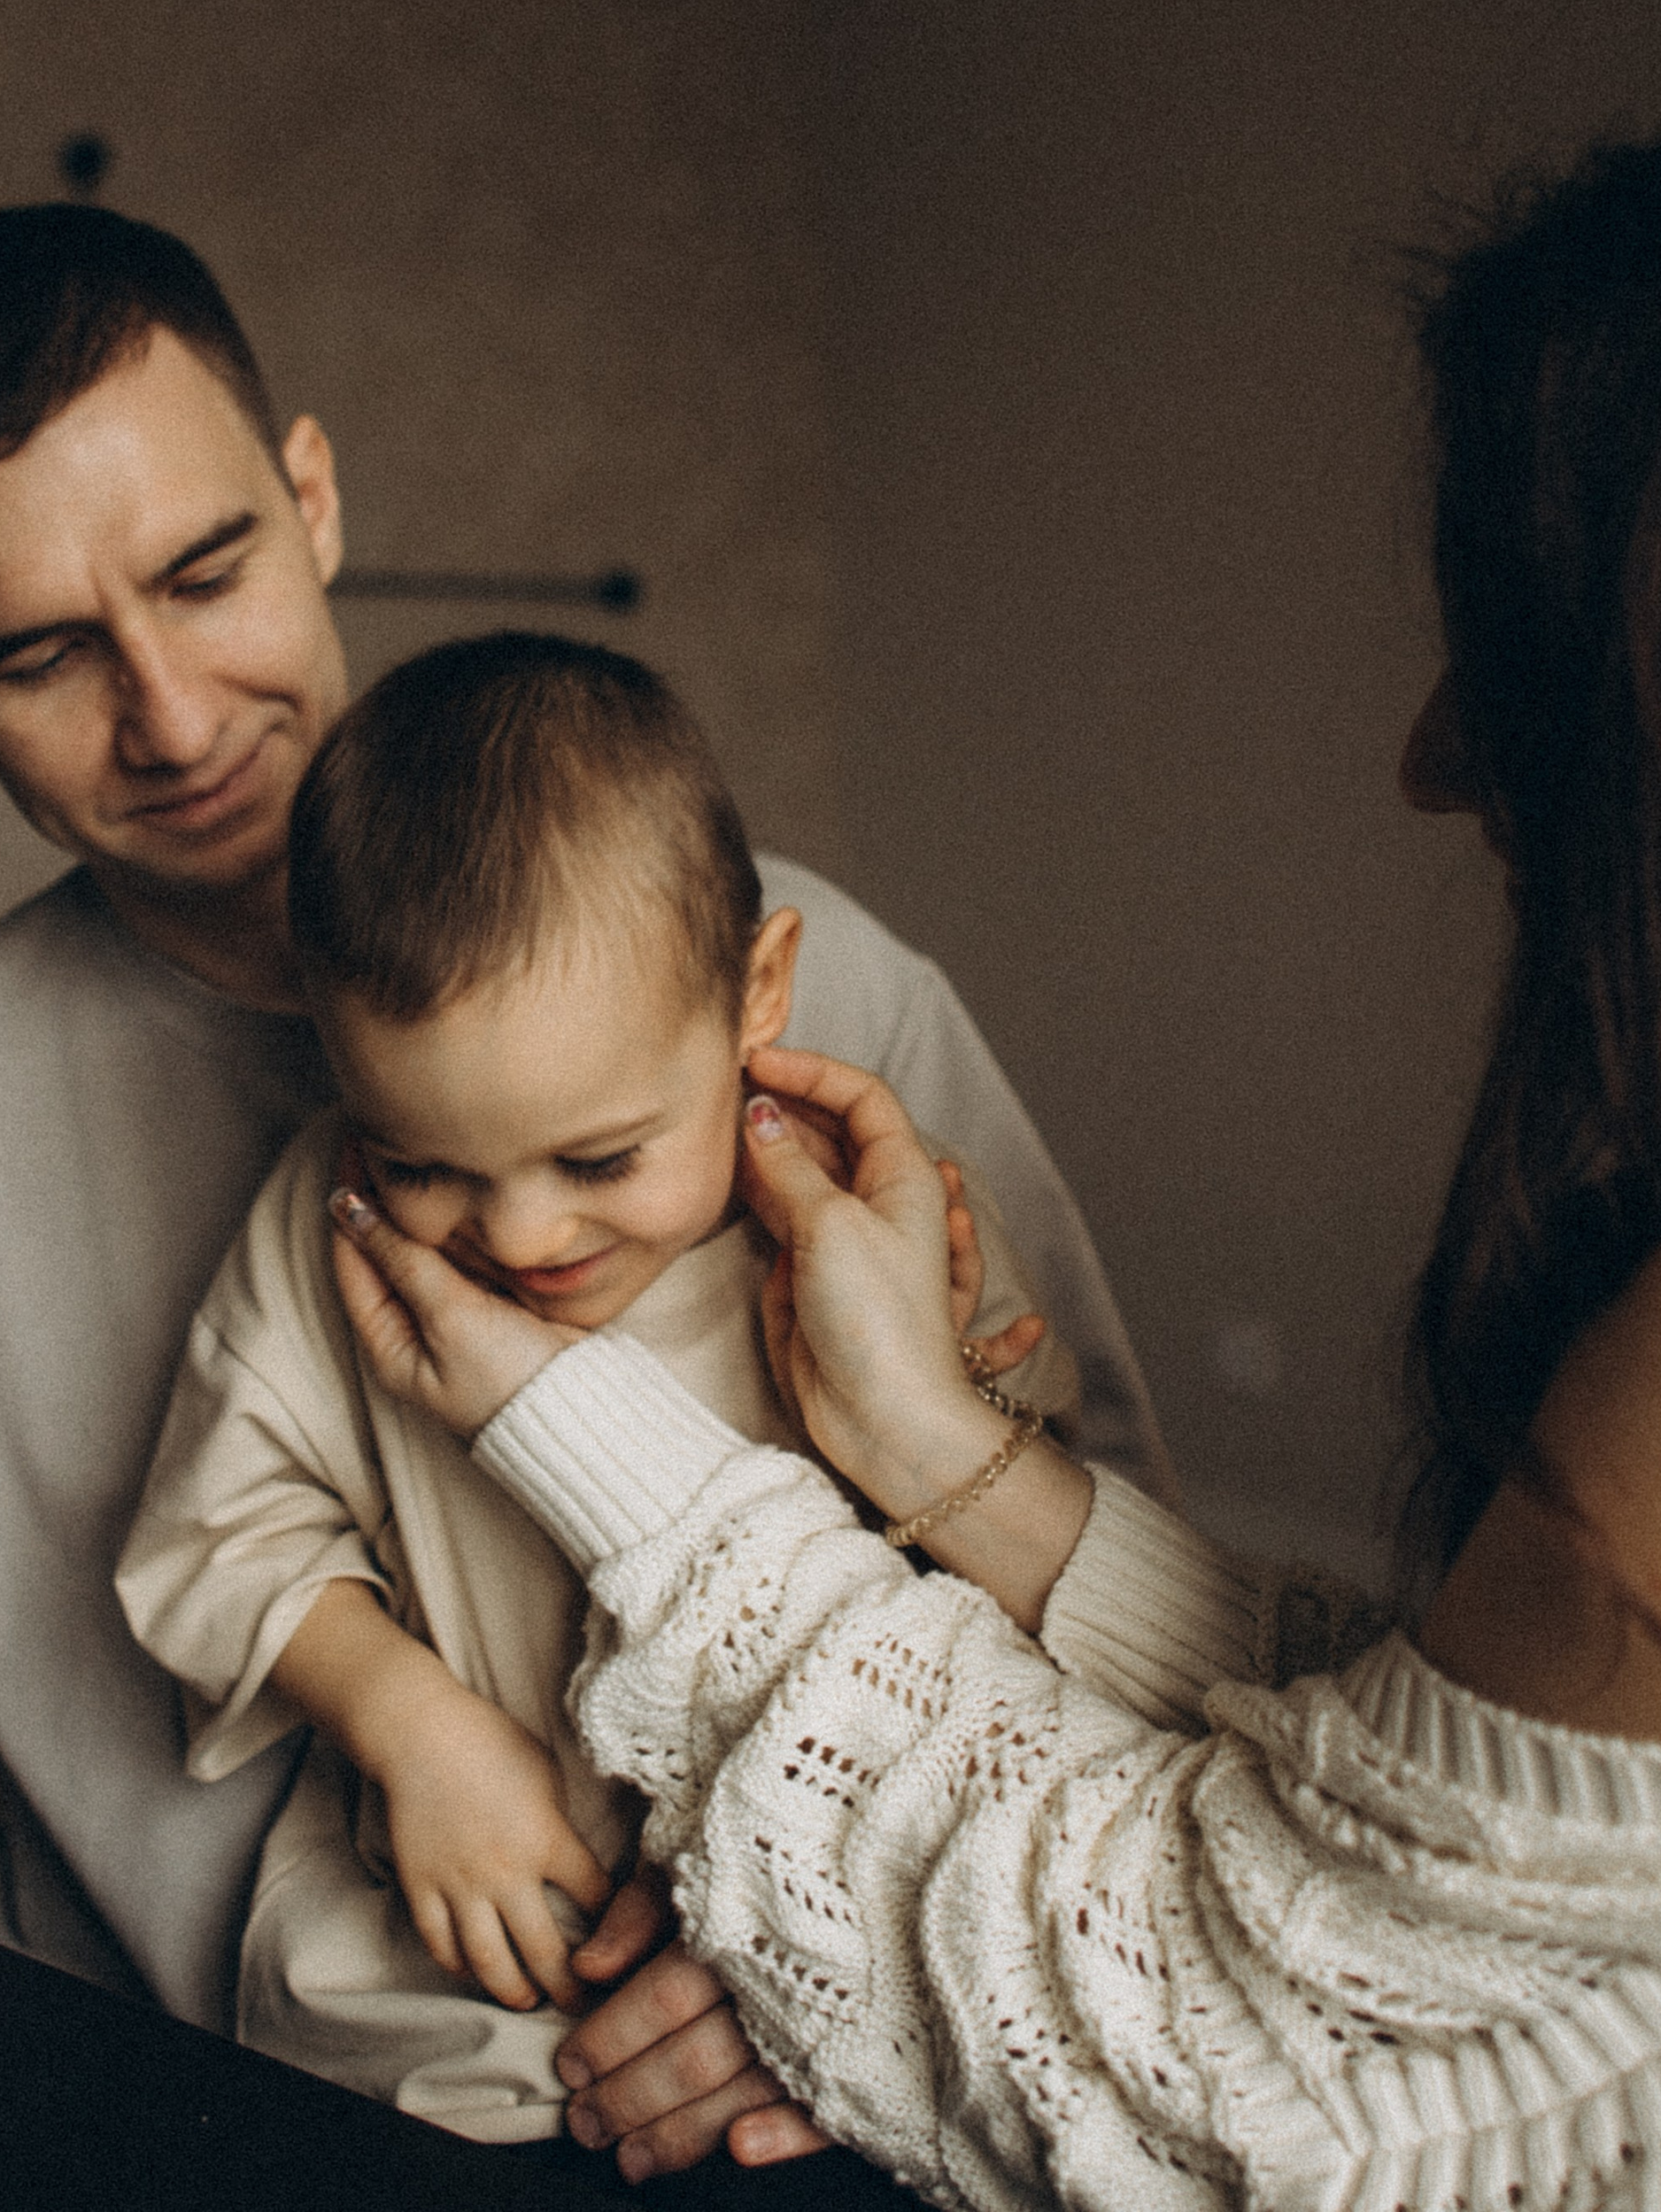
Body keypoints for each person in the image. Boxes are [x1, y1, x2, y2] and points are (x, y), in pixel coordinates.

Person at [321, 88, 1661, 2205]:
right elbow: (1465, 1851)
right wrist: (949, 1462)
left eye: (1518, 644)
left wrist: (606, 1449)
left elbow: (1244, 2075)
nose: (1433, 751)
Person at [0, 202, 1165, 2151]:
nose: (168, 719)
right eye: (36, 657)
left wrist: (832, 1959)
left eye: (205, 571)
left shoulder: (820, 1007)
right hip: (211, 2094)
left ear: (311, 496)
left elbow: (1094, 1553)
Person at [115, 631, 1067, 2140]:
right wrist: (407, 1724)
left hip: (834, 1964)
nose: (520, 1236)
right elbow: (217, 1539)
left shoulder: (877, 1233)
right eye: (423, 1162)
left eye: (602, 1158)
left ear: (758, 995)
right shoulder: (325, 1234)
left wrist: (962, 1405)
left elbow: (1039, 1558)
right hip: (440, 1990)